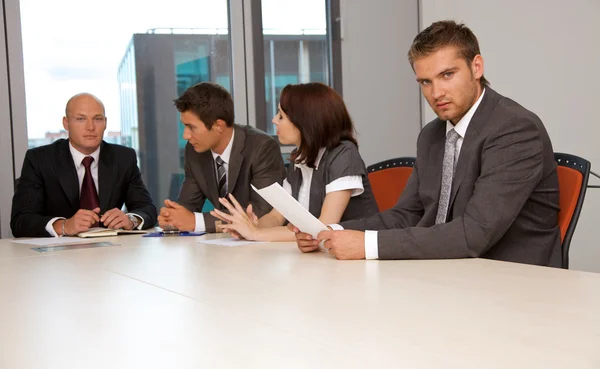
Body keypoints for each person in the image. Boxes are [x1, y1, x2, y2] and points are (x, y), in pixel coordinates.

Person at [294, 20, 562, 267]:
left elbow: (475, 233)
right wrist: (332, 232)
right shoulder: (432, 135)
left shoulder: (514, 128)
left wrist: (366, 245)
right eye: (425, 81)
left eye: (447, 75)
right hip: (450, 270)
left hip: (514, 280)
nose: (436, 93)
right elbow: (408, 214)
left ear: (476, 67)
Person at [211, 82, 378, 242]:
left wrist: (255, 234)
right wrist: (251, 227)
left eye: (281, 115)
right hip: (323, 258)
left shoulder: (344, 154)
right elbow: (276, 216)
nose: (274, 120)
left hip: (356, 261)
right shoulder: (299, 157)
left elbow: (323, 228)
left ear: (306, 122)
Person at [11, 93, 157, 237]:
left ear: (105, 123)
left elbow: (146, 208)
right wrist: (64, 226)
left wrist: (130, 220)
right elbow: (21, 220)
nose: (90, 127)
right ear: (66, 123)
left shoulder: (123, 158)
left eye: (97, 119)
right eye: (81, 119)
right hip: (57, 255)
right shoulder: (39, 159)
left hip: (111, 251)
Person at [157, 82, 286, 233]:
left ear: (218, 125)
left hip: (265, 246)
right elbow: (188, 205)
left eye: (191, 127)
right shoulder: (194, 150)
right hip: (223, 245)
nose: (185, 135)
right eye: (184, 126)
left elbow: (261, 211)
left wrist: (196, 222)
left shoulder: (261, 147)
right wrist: (173, 217)